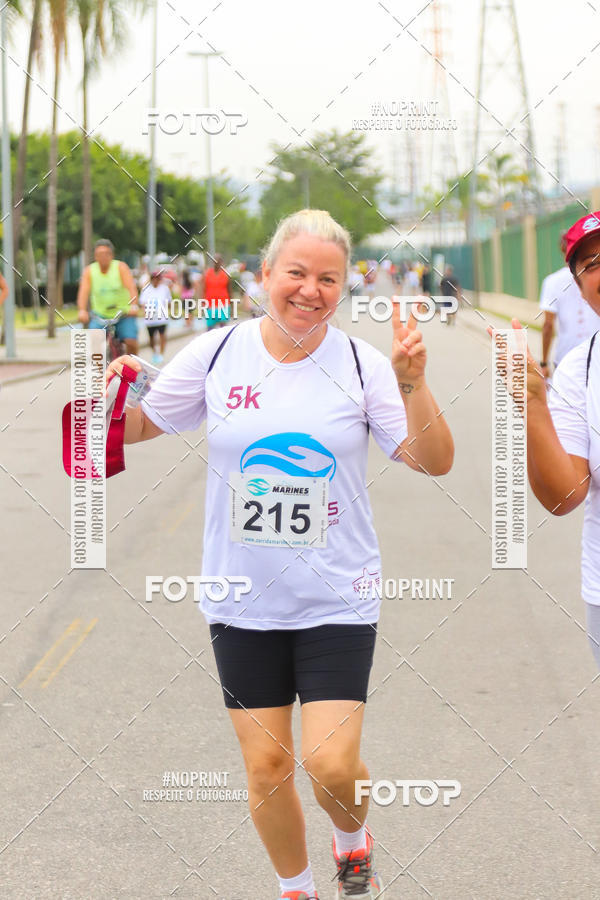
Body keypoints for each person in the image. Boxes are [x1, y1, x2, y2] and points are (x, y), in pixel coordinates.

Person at [107, 209, 454, 900]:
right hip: (241, 598)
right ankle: (296, 889)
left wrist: (413, 384)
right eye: (295, 272)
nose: (310, 289)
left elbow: (432, 460)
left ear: (343, 287)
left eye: (327, 278)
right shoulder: (216, 352)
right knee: (267, 767)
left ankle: (352, 842)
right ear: (266, 275)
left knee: (331, 765)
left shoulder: (362, 365)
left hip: (335, 596)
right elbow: (148, 422)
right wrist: (105, 391)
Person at [500, 211, 600, 669]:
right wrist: (533, 404)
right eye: (590, 264)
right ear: (580, 289)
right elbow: (563, 497)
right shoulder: (579, 372)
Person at [539, 234, 600, 377]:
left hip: (566, 358)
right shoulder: (593, 276)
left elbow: (548, 325)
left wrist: (544, 362)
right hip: (594, 355)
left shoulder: (552, 282)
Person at [77, 239, 139, 354]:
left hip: (123, 314)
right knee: (94, 343)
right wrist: (82, 310)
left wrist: (133, 306)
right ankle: (100, 372)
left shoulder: (121, 267)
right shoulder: (89, 271)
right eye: (99, 254)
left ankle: (133, 367)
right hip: (100, 316)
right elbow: (83, 293)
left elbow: (131, 288)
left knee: (131, 342)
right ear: (95, 256)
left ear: (112, 255)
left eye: (106, 254)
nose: (103, 257)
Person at [139, 270, 171, 364]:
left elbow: (169, 302)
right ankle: (155, 353)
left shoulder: (165, 288)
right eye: (154, 278)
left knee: (162, 336)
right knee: (151, 339)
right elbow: (142, 303)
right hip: (150, 319)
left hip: (161, 318)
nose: (156, 280)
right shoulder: (146, 289)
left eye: (158, 278)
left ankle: (161, 354)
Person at [199, 253, 231, 330]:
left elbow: (230, 291)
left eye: (218, 261)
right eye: (215, 261)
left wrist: (232, 307)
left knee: (223, 328)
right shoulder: (207, 274)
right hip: (210, 305)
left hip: (223, 305)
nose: (216, 262)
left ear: (221, 262)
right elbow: (203, 289)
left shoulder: (225, 274)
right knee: (210, 329)